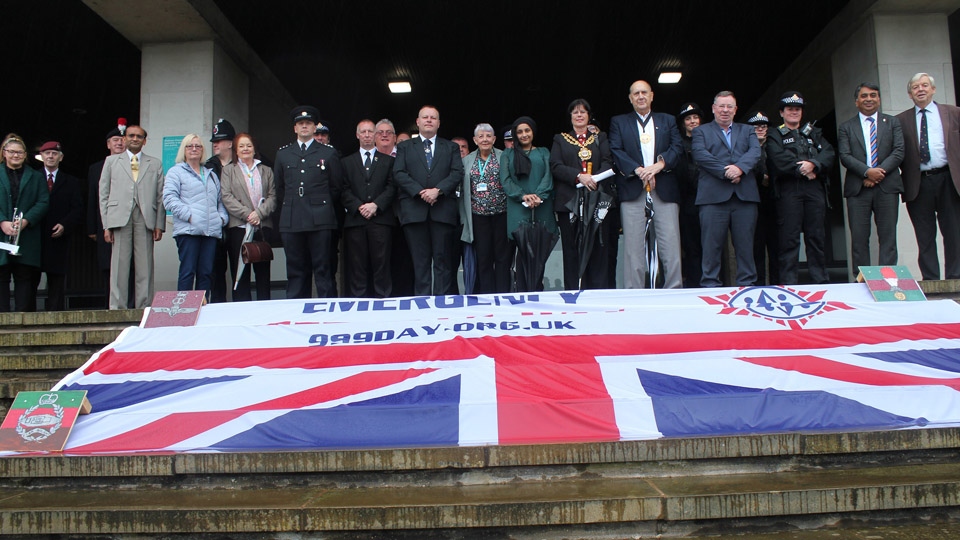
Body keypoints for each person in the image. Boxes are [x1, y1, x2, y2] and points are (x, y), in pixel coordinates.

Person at [609, 80, 684, 289]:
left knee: (670, 244)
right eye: (636, 94)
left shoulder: (667, 120)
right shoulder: (619, 122)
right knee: (633, 248)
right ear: (630, 98)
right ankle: (634, 293)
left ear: (651, 96)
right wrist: (639, 170)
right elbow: (616, 150)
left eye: (644, 93)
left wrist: (659, 165)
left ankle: (674, 289)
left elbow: (677, 147)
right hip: (633, 188)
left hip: (664, 188)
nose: (640, 96)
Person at [691, 91, 762, 287]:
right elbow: (700, 155)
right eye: (721, 106)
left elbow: (755, 152)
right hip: (712, 198)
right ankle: (710, 288)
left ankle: (746, 286)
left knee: (745, 248)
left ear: (735, 109)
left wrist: (740, 168)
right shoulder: (700, 132)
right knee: (711, 249)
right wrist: (726, 172)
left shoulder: (747, 130)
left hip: (744, 198)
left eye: (729, 106)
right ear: (713, 108)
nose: (725, 110)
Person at [766, 91, 836, 285]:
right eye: (790, 109)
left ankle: (820, 280)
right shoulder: (774, 134)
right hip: (789, 190)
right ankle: (788, 282)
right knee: (789, 239)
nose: (794, 112)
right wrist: (804, 169)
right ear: (782, 112)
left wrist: (814, 164)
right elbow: (778, 159)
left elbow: (828, 153)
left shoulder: (814, 132)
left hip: (814, 190)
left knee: (816, 237)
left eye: (797, 109)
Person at [393, 105, 463, 295]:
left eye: (433, 117)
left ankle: (441, 304)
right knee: (420, 263)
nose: (429, 120)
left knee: (443, 262)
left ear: (439, 123)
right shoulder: (405, 147)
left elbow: (457, 172)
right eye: (425, 117)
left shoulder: (451, 147)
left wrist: (438, 191)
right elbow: (398, 173)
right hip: (415, 212)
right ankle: (422, 305)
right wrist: (420, 192)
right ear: (418, 122)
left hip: (442, 212)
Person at [896, 73, 960, 280]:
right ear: (909, 94)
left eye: (925, 85)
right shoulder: (900, 120)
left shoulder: (953, 113)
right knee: (924, 236)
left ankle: (955, 278)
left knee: (954, 232)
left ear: (933, 90)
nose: (920, 89)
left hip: (949, 179)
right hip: (918, 183)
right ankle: (931, 279)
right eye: (915, 87)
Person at [274, 106, 343, 299]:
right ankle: (297, 312)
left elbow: (336, 187)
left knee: (323, 269)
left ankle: (327, 311)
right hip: (292, 218)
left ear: (315, 127)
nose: (304, 126)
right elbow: (279, 188)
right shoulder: (283, 154)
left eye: (308, 123)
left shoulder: (328, 153)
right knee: (296, 270)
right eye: (300, 124)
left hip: (320, 219)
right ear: (295, 128)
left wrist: (319, 205)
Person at [838, 83, 905, 272]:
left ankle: (888, 282)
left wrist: (877, 173)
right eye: (864, 96)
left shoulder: (892, 123)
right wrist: (867, 172)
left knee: (888, 237)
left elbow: (899, 151)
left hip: (887, 187)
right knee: (859, 238)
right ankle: (861, 281)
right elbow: (845, 156)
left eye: (873, 95)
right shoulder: (846, 127)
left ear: (879, 99)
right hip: (858, 189)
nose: (869, 99)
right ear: (856, 101)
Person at [550, 98, 615, 290]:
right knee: (572, 250)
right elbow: (555, 165)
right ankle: (573, 292)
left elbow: (608, 160)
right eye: (575, 112)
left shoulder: (600, 138)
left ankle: (598, 293)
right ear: (570, 117)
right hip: (569, 201)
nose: (579, 115)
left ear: (589, 116)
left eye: (583, 112)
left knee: (598, 248)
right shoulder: (560, 139)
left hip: (596, 199)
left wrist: (593, 179)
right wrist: (579, 176)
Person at [99, 124, 165, 309]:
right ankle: (117, 307)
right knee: (119, 265)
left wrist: (159, 224)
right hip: (119, 217)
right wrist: (106, 225)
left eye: (139, 136)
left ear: (144, 141)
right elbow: (103, 194)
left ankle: (144, 306)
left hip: (145, 217)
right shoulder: (112, 161)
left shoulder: (155, 163)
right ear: (125, 139)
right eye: (131, 136)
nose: (135, 139)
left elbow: (160, 196)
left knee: (145, 265)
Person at [163, 134, 228, 295]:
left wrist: (221, 219)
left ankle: (202, 309)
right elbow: (169, 199)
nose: (194, 149)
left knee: (206, 273)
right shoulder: (175, 172)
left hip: (210, 231)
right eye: (189, 146)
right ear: (183, 150)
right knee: (188, 271)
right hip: (188, 231)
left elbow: (220, 201)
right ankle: (185, 310)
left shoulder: (210, 174)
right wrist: (190, 216)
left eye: (198, 146)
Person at [340, 119, 397, 298]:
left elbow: (392, 187)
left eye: (370, 132)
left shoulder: (388, 161)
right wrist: (358, 206)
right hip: (356, 221)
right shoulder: (346, 162)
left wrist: (376, 205)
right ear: (357, 135)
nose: (366, 135)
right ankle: (359, 301)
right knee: (357, 264)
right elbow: (342, 189)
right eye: (363, 132)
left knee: (382, 263)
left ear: (376, 135)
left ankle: (383, 299)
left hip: (381, 220)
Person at [501, 116, 555, 292]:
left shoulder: (544, 152)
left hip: (542, 207)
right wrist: (523, 196)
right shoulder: (508, 154)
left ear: (533, 132)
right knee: (522, 255)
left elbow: (549, 176)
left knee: (540, 254)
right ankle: (522, 295)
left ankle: (537, 293)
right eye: (520, 132)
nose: (524, 135)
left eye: (527, 130)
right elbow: (506, 180)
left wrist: (538, 195)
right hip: (519, 209)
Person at [221, 132, 277, 301]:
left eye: (249, 145)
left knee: (262, 273)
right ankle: (241, 309)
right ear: (236, 150)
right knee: (240, 272)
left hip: (261, 227)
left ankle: (264, 309)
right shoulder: (228, 171)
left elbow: (272, 196)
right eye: (241, 146)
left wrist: (258, 214)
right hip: (239, 227)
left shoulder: (265, 170)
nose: (245, 149)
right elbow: (226, 196)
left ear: (254, 149)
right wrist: (248, 215)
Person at [0, 134, 49, 312]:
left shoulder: (35, 176)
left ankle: (23, 318)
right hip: (1, 234)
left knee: (24, 276)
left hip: (27, 234)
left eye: (20, 152)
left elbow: (43, 201)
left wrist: (26, 220)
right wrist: (2, 222)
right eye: (12, 152)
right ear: (4, 153)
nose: (16, 155)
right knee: (1, 275)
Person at [460, 123, 509, 294]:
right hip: (478, 216)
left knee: (502, 257)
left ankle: (502, 293)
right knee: (483, 257)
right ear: (475, 140)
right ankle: (487, 295)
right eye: (481, 136)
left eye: (488, 136)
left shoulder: (505, 157)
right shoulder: (466, 161)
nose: (485, 139)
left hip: (502, 214)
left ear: (494, 139)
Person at [36, 141, 83, 311]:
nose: (50, 156)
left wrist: (65, 225)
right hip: (35, 236)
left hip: (59, 237)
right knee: (30, 278)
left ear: (60, 157)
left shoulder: (71, 181)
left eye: (54, 153)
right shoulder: (33, 178)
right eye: (47, 153)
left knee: (56, 279)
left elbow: (77, 209)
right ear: (41, 156)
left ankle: (55, 315)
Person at [87, 121, 127, 303]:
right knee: (107, 266)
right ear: (108, 144)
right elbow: (93, 198)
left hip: (127, 223)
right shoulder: (96, 168)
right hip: (105, 223)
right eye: (115, 140)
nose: (119, 143)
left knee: (129, 266)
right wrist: (92, 228)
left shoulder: (133, 165)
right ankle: (108, 304)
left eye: (121, 140)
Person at [746, 111, 780, 285]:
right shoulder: (744, 148)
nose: (760, 129)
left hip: (775, 203)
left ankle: (778, 286)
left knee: (777, 249)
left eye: (763, 126)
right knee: (756, 249)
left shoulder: (775, 146)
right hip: (753, 204)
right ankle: (758, 287)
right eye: (756, 126)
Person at [205, 118, 236, 303]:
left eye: (219, 141)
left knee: (239, 270)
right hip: (217, 227)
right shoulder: (208, 166)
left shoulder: (242, 163)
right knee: (216, 271)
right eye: (214, 141)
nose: (215, 144)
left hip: (239, 224)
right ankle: (218, 306)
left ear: (230, 143)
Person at [676, 102, 703, 288]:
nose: (692, 121)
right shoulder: (678, 143)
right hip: (688, 200)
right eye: (688, 118)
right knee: (691, 245)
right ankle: (694, 284)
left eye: (695, 117)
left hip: (711, 200)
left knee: (711, 245)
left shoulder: (711, 139)